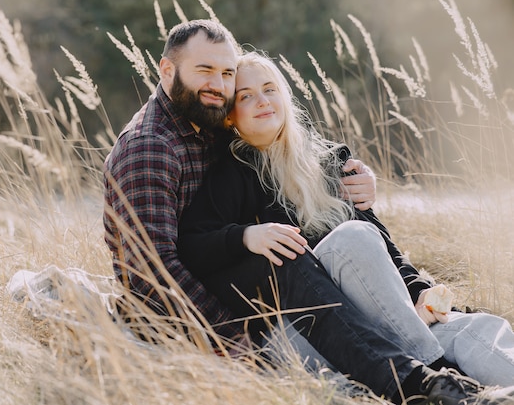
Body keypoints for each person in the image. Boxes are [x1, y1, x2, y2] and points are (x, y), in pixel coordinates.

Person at [102, 21, 511, 404]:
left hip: (340, 305)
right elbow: (152, 270)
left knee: (476, 327)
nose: (220, 85)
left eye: (228, 74)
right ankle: (428, 379)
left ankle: (454, 376)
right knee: (294, 252)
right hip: (250, 321)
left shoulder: (219, 125)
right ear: (167, 69)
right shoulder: (157, 149)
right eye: (206, 70)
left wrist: (418, 287)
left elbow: (377, 240)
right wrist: (236, 339)